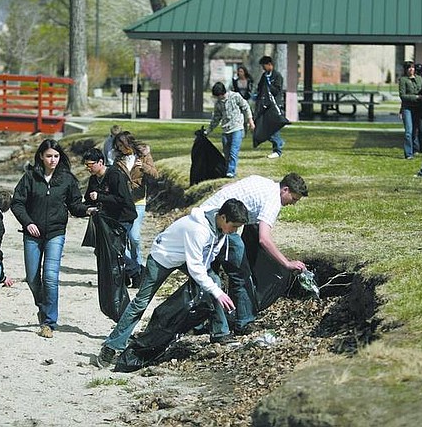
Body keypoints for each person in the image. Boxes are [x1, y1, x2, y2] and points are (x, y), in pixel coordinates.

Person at [96, 198, 248, 368]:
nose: (235, 230)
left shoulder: (220, 228)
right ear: (223, 217)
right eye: (234, 226)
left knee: (214, 282)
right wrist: (217, 291)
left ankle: (221, 333)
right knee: (141, 302)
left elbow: (207, 258)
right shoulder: (199, 230)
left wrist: (213, 288)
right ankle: (111, 346)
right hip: (163, 257)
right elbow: (195, 266)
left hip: (185, 257)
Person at [199, 173, 309, 335]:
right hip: (220, 225)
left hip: (205, 217)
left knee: (208, 273)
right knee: (241, 273)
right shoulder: (273, 201)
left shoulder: (262, 180)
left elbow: (228, 187)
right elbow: (264, 239)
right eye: (293, 199)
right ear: (285, 189)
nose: (292, 204)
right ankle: (243, 322)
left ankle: (200, 322)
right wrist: (287, 263)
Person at [11, 139, 93, 338]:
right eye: (49, 156)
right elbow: (17, 203)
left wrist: (88, 210)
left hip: (56, 233)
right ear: (41, 156)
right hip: (32, 234)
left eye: (56, 156)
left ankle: (49, 322)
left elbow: (75, 205)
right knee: (32, 278)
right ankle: (44, 306)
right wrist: (28, 222)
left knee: (50, 277)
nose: (53, 160)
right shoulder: (30, 177)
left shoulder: (67, 179)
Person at [82, 148, 139, 282]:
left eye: (90, 165)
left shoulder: (114, 175)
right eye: (86, 165)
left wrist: (100, 197)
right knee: (102, 249)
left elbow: (122, 199)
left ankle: (136, 271)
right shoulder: (94, 180)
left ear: (100, 162)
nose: (88, 168)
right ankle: (124, 277)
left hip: (123, 217)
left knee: (114, 249)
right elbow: (89, 198)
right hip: (107, 219)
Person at [112, 131, 159, 287]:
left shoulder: (143, 156)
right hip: (122, 203)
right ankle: (130, 270)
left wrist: (143, 166)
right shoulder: (118, 160)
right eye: (118, 146)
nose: (120, 148)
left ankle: (138, 267)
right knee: (123, 238)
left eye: (121, 145)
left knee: (135, 237)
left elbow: (155, 174)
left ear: (128, 143)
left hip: (138, 201)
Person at [206, 82, 255, 179]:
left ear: (221, 93)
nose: (218, 98)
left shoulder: (235, 96)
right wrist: (208, 131)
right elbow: (216, 119)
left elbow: (246, 107)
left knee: (233, 151)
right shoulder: (218, 104)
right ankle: (228, 169)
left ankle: (231, 172)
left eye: (218, 96)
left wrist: (250, 121)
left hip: (237, 128)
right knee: (227, 153)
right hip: (225, 129)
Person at [255, 56, 286, 159]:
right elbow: (260, 87)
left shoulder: (277, 76)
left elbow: (276, 90)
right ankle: (279, 142)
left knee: (273, 128)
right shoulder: (264, 75)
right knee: (264, 128)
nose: (263, 68)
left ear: (270, 64)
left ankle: (277, 150)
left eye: (264, 66)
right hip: (265, 105)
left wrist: (269, 85)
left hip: (275, 106)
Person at [399, 61, 422, 159]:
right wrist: (416, 97)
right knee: (408, 131)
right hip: (407, 108)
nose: (411, 69)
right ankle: (408, 153)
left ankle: (415, 149)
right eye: (409, 68)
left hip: (418, 108)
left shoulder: (419, 78)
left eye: (413, 67)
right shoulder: (403, 80)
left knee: (416, 130)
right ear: (406, 70)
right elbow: (403, 96)